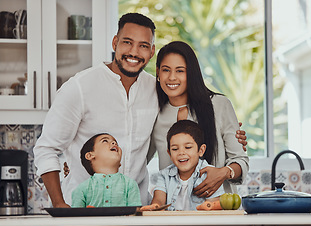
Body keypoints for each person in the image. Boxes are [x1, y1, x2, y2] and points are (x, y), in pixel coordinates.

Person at [34, 13, 246, 208]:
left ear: (151, 51)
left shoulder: (156, 90)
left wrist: (232, 141)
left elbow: (151, 147)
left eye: (143, 45)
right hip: (86, 210)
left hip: (136, 211)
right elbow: (47, 149)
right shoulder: (80, 87)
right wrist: (60, 204)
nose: (134, 52)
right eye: (127, 42)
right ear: (115, 42)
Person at [148, 41, 249, 198]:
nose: (172, 77)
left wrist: (223, 173)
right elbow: (139, 156)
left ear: (192, 73)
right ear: (158, 73)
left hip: (217, 211)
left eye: (180, 71)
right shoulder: (154, 112)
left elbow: (241, 161)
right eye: (166, 70)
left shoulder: (219, 105)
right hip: (174, 214)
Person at [146, 120, 225, 211]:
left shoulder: (210, 175)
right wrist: (154, 207)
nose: (181, 153)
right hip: (171, 224)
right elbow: (158, 201)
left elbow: (214, 208)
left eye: (188, 147)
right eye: (175, 149)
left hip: (201, 224)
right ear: (169, 153)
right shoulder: (164, 176)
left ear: (201, 150)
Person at [72, 133, 141, 208]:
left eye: (116, 143)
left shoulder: (130, 185)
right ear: (90, 155)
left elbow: (134, 215)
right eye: (105, 141)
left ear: (120, 163)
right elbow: (76, 218)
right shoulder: (81, 189)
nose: (114, 143)